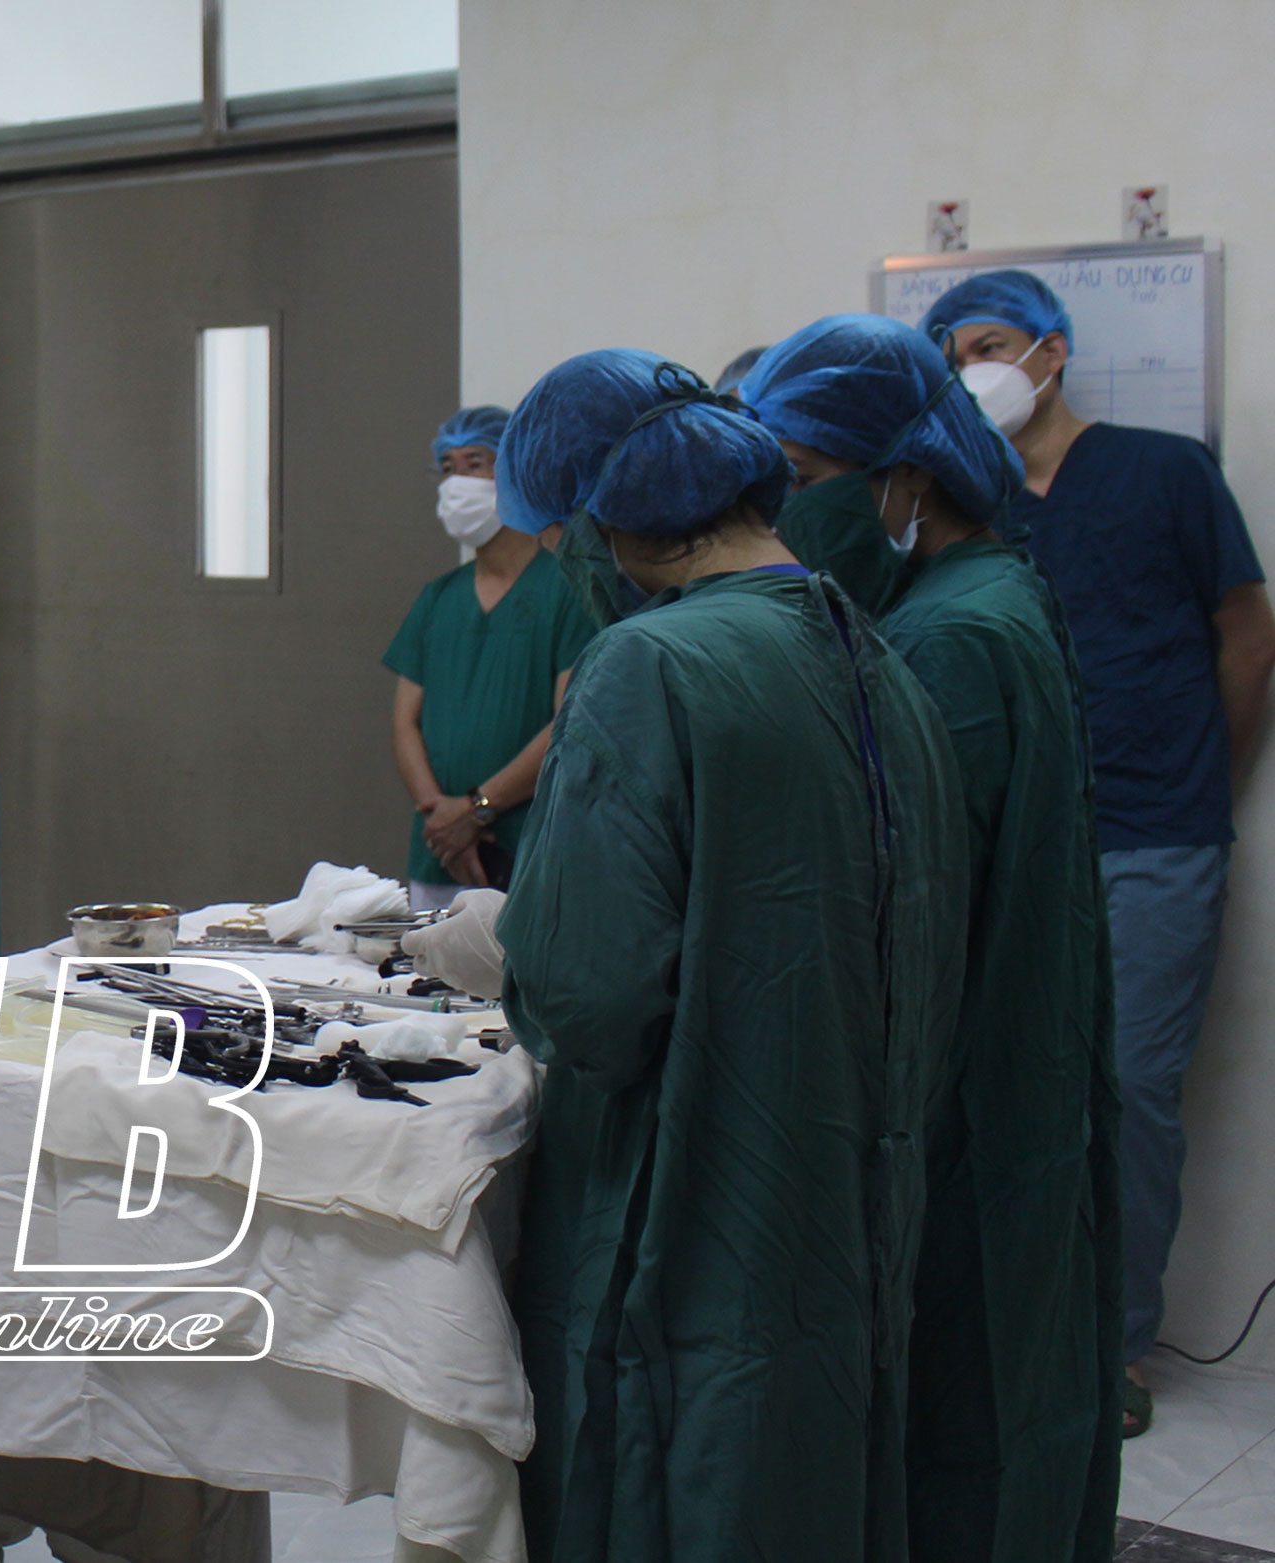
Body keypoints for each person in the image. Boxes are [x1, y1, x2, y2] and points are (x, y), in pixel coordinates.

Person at [415, 350, 966, 1562]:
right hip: (848, 1208)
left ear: (608, 518)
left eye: (558, 532)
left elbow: (592, 997)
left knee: (678, 1484)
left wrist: (509, 949)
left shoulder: (648, 666)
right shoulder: (875, 653)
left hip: (694, 1212)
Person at [748, 312, 1121, 1561]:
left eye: (802, 480)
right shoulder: (985, 591)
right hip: (1010, 1068)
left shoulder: (945, 640)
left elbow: (895, 908)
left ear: (906, 476)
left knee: (964, 1403)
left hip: (965, 1094)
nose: (786, 513)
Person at [922, 270, 1275, 1433]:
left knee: (1128, 1092)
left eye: (990, 345)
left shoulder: (1164, 472)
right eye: (951, 354)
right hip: (1007, 843)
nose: (973, 368)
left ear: (1053, 351)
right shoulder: (959, 504)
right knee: (995, 1085)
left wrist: (1201, 774)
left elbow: (1246, 634)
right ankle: (1002, 1333)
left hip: (1155, 835)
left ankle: (1111, 1348)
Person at [384, 405, 592, 911]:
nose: (458, 482)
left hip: (525, 846)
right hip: (439, 853)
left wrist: (478, 810)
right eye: (448, 468)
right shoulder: (439, 597)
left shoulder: (568, 588)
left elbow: (570, 724)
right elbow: (405, 723)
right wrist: (441, 819)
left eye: (475, 463)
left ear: (516, 471)